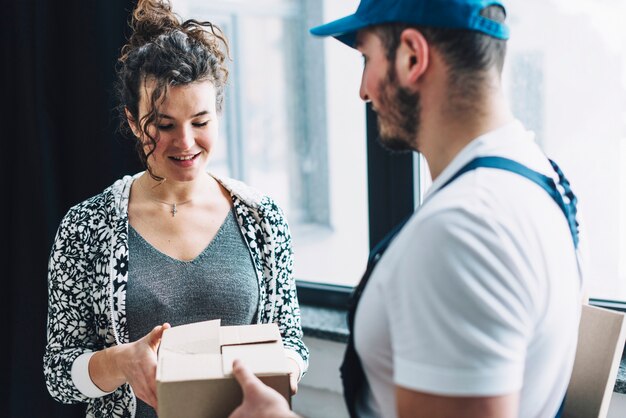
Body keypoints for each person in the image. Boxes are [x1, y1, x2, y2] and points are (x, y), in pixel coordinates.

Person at [229, 0, 585, 417]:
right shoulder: (542, 177)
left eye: (366, 58)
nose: (362, 89)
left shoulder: (463, 229)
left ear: (413, 56)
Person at [43, 1, 308, 417]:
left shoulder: (262, 218)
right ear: (133, 121)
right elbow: (59, 373)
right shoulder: (85, 227)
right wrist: (121, 362)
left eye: (200, 122)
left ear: (218, 113)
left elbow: (291, 339)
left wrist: (281, 373)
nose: (185, 143)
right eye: (164, 125)